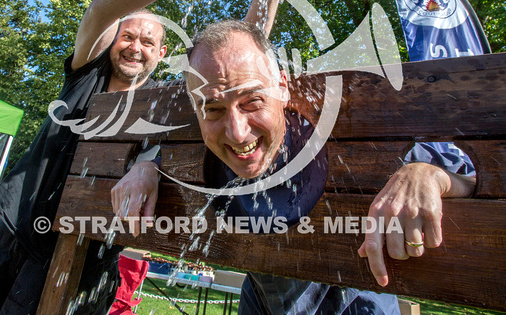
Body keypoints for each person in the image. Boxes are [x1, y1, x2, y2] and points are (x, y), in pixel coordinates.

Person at [0, 0, 289, 315]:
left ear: (162, 52)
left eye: (148, 41)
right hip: (14, 239)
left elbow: (241, 65)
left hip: (93, 265)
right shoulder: (87, 73)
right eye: (127, 36)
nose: (136, 47)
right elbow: (101, 8)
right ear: (110, 41)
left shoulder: (167, 107)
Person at [181, 20, 476, 314]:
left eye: (252, 101)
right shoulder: (212, 160)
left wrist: (428, 175)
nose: (236, 132)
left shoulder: (356, 139)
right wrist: (146, 169)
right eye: (213, 109)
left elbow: (475, 182)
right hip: (261, 299)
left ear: (282, 88)